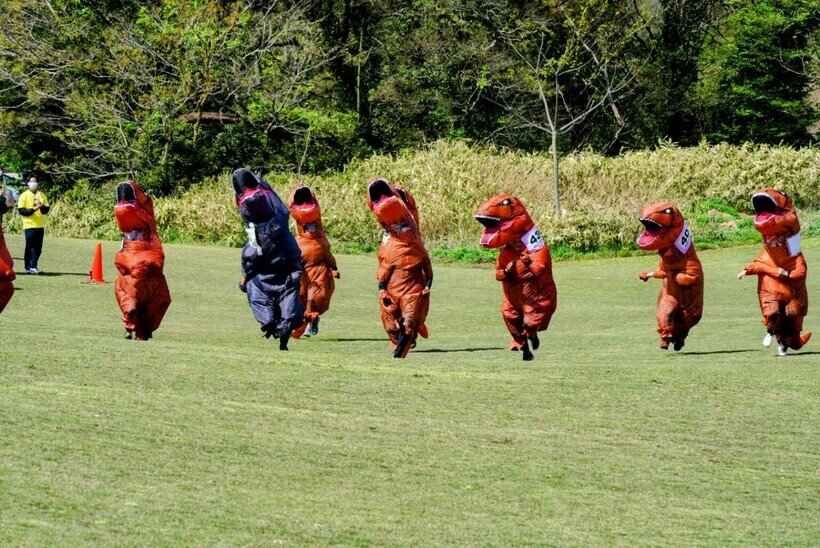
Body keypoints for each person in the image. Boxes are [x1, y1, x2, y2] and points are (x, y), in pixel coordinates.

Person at [17, 175, 50, 274]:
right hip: (29, 225)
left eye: (35, 181)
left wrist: (41, 206)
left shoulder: (42, 195)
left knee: (38, 248)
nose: (33, 183)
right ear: (28, 183)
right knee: (29, 247)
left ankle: (33, 266)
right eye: (31, 181)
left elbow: (46, 210)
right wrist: (34, 209)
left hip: (40, 225)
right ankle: (27, 267)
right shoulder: (24, 195)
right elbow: (22, 211)